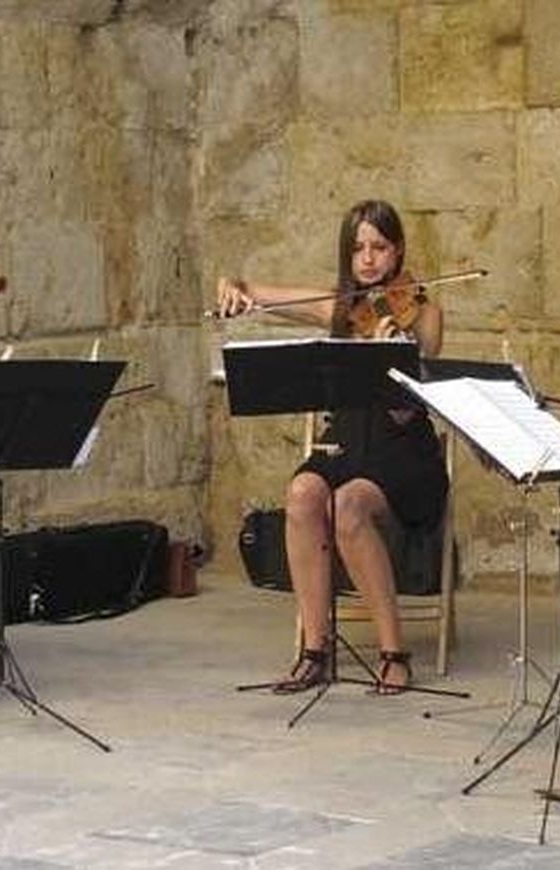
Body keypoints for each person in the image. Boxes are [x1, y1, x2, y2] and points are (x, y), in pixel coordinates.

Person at [214, 199, 446, 695]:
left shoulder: (423, 312)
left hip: (402, 451)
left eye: (379, 247)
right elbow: (255, 292)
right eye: (358, 248)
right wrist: (234, 289)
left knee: (348, 507)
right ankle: (315, 649)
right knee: (301, 495)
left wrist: (392, 354)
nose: (368, 259)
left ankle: (393, 653)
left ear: (398, 250)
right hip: (345, 445)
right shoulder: (338, 306)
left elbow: (408, 410)